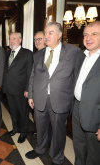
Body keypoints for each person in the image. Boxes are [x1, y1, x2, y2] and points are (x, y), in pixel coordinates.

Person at [25, 22, 80, 165]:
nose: (46, 36)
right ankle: (40, 148)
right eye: (45, 33)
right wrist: (31, 95)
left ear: (59, 35)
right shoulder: (38, 55)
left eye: (50, 33)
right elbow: (32, 76)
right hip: (39, 98)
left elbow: (80, 74)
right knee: (40, 127)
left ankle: (57, 158)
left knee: (58, 132)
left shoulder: (73, 52)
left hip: (60, 99)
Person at [73, 21, 100, 165]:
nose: (88, 38)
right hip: (77, 108)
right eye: (86, 35)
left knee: (94, 154)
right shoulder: (81, 56)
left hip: (95, 114)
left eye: (94, 34)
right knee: (78, 146)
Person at [3, 32, 33, 143]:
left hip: (21, 90)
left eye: (14, 39)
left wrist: (27, 89)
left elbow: (30, 73)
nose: (11, 41)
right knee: (13, 111)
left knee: (23, 112)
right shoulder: (7, 53)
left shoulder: (27, 53)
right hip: (9, 89)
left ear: (20, 40)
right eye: (10, 39)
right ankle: (15, 128)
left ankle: (24, 132)